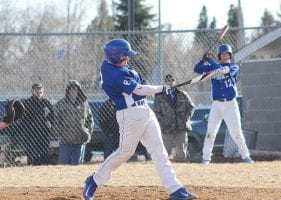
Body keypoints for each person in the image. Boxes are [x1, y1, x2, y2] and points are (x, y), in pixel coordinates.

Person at [83, 38, 197, 200]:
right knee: (124, 152)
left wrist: (161, 88)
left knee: (159, 151)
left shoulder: (122, 66)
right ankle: (93, 181)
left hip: (144, 111)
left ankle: (175, 189)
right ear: (114, 57)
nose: (127, 58)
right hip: (129, 115)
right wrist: (160, 89)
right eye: (124, 56)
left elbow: (143, 83)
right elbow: (138, 89)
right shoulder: (113, 73)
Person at [194, 44, 254, 164]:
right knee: (210, 132)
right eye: (222, 54)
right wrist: (203, 59)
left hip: (230, 105)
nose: (225, 56)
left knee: (236, 132)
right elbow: (197, 69)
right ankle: (206, 158)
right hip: (216, 105)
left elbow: (223, 70)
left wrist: (210, 61)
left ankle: (246, 156)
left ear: (230, 55)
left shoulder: (234, 67)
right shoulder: (212, 67)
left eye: (227, 54)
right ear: (219, 56)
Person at [153, 74, 194, 162]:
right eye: (167, 81)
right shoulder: (159, 96)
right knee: (165, 151)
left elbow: (191, 107)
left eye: (172, 80)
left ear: (175, 82)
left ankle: (181, 166)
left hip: (181, 126)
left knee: (182, 151)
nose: (170, 82)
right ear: (165, 82)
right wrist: (162, 122)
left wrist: (185, 118)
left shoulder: (182, 94)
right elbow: (156, 112)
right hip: (166, 127)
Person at [53, 80, 94, 165]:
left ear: (79, 90)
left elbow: (90, 119)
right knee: (63, 165)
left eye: (75, 89)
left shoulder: (84, 103)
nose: (73, 91)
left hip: (80, 138)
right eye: (71, 89)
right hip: (65, 140)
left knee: (77, 165)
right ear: (67, 91)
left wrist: (88, 132)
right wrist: (60, 135)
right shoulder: (60, 104)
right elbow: (55, 121)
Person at [21, 83, 55, 165]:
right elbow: (24, 119)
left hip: (44, 132)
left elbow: (52, 116)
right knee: (32, 153)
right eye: (36, 89)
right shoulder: (28, 103)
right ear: (32, 91)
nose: (39, 91)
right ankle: (32, 167)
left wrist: (50, 126)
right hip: (31, 133)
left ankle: (42, 168)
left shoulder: (46, 102)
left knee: (43, 153)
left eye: (40, 89)